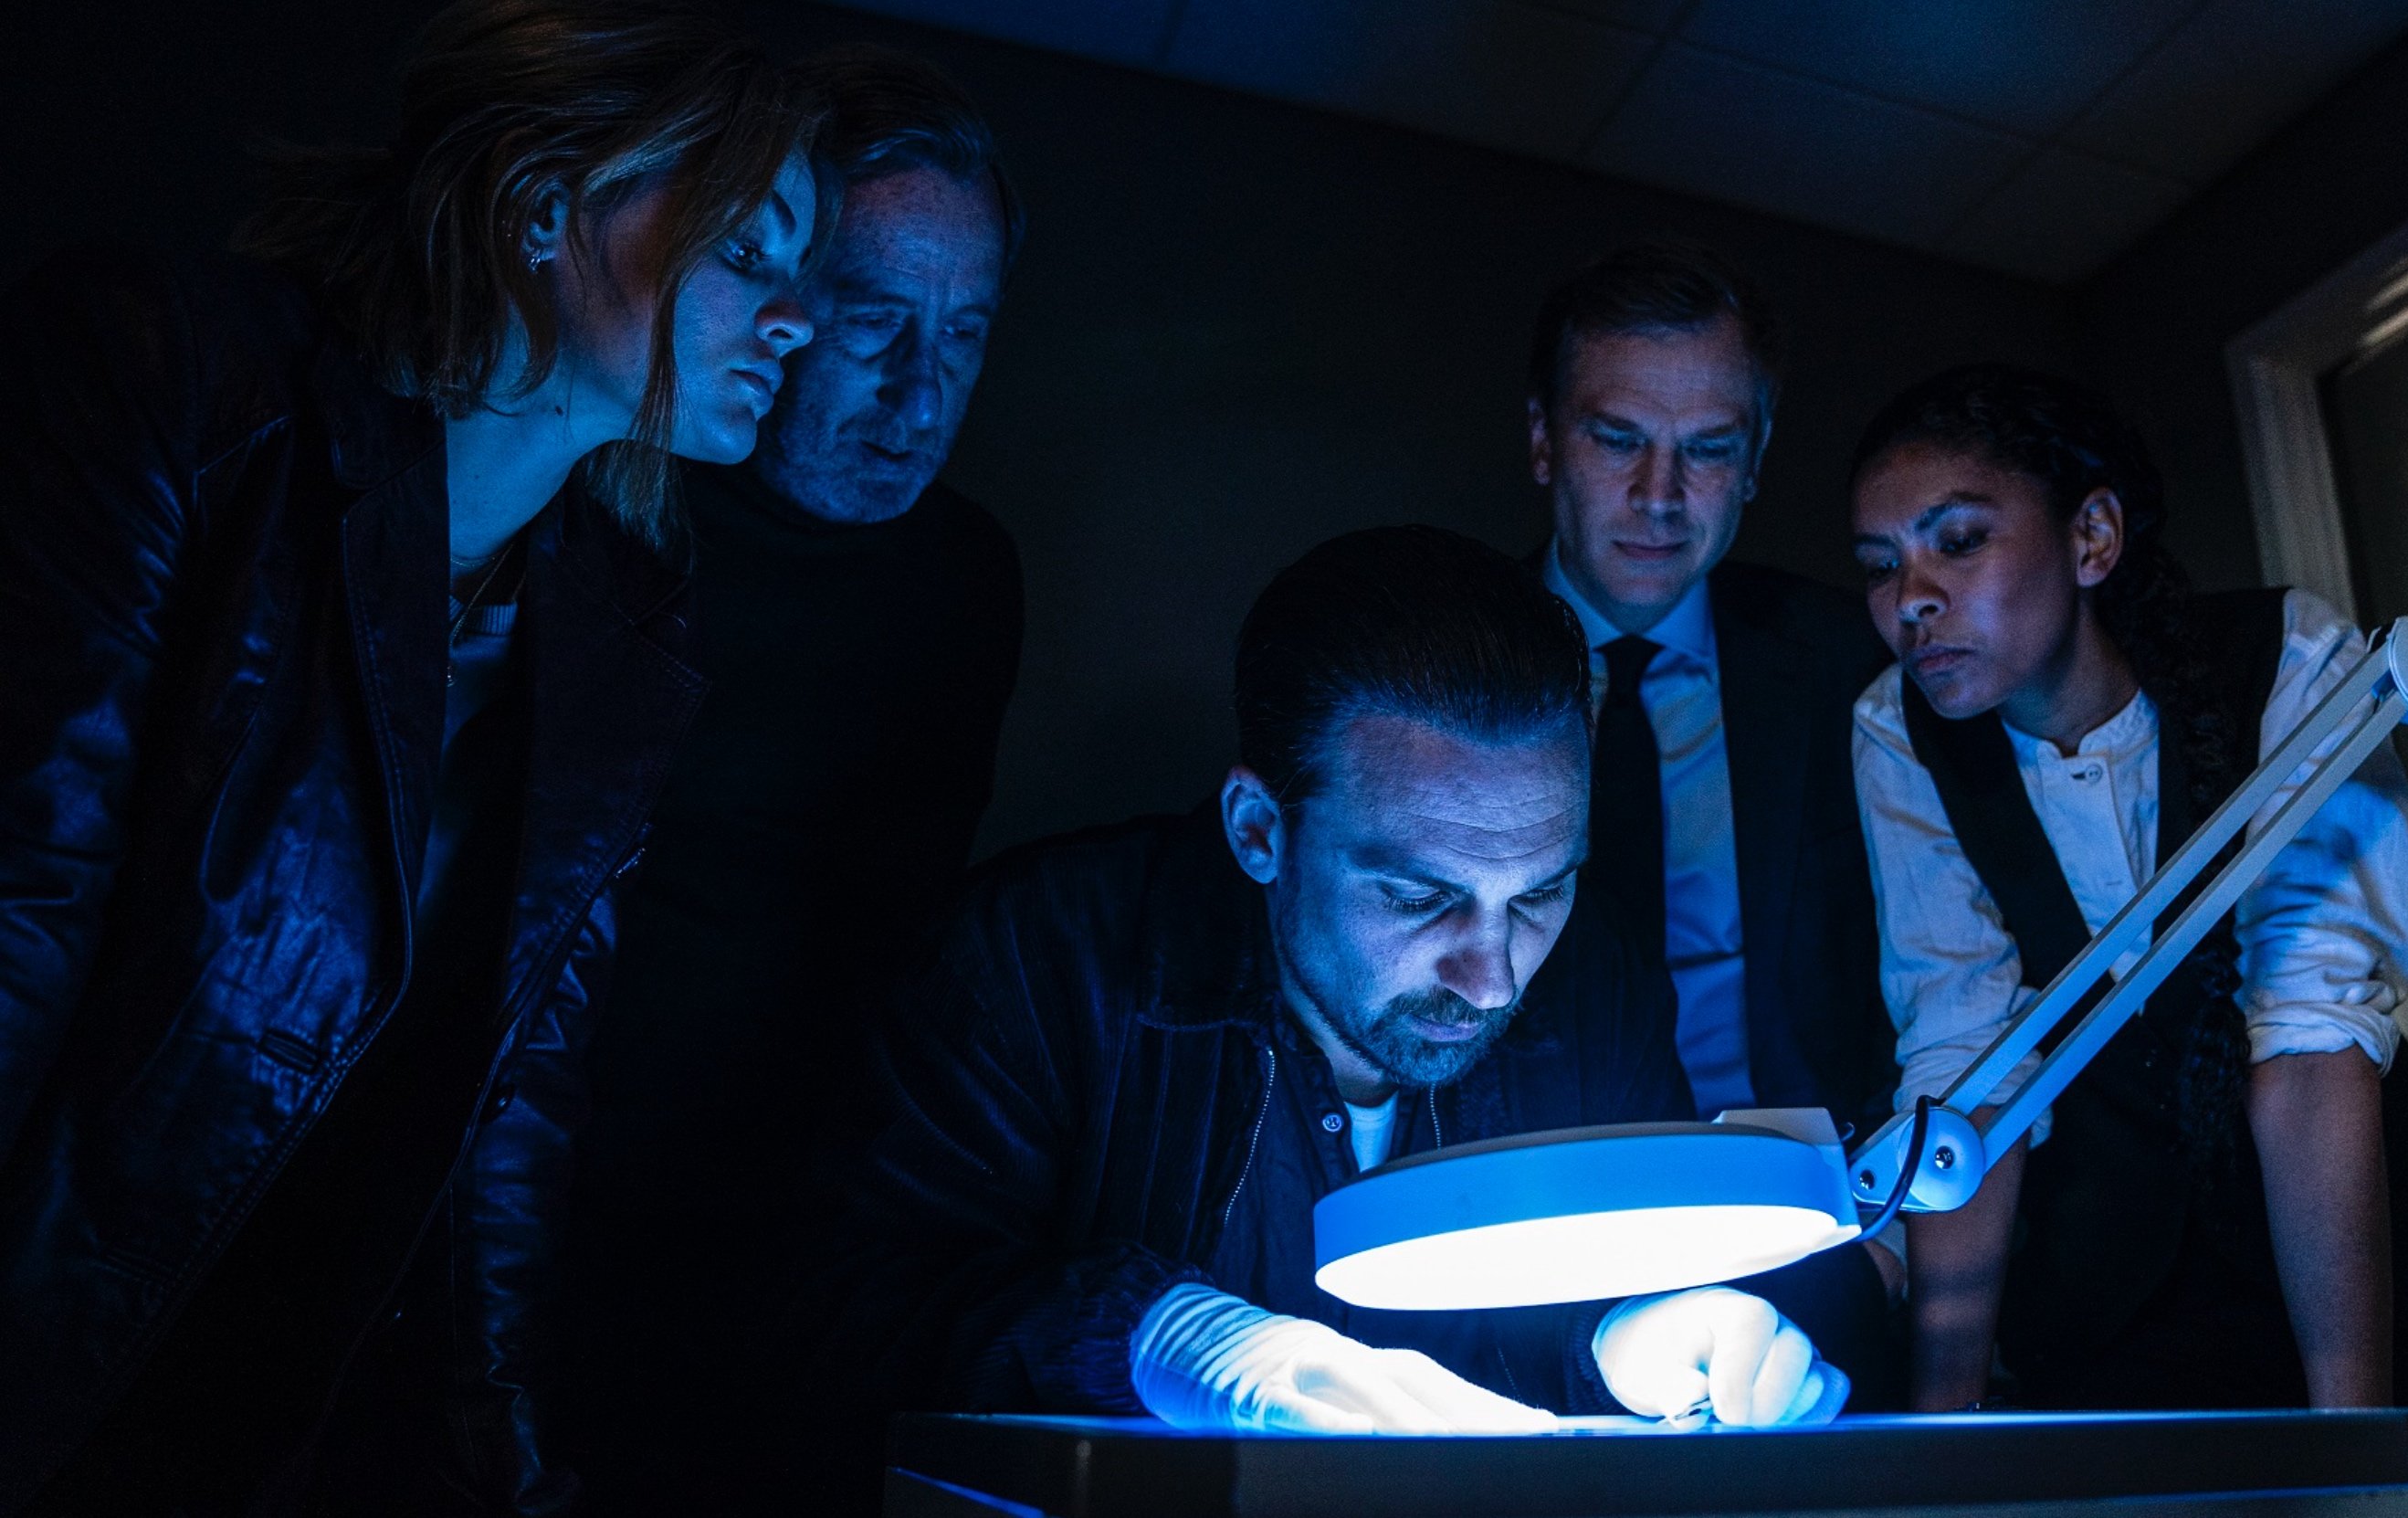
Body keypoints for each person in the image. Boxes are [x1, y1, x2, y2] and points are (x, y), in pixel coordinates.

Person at [0, 2, 822, 1509]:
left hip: (261, 1405)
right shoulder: (176, 375)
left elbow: (515, 1103)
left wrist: (502, 1470)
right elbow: (24, 895)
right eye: (748, 251)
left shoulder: (618, 625)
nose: (797, 317)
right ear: (537, 205)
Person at [783, 527, 1842, 1500]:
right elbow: (852, 1317)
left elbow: (1587, 1314)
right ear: (1258, 831)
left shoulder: (1594, 979)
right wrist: (1163, 1340)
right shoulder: (1038, 961)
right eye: (1419, 896)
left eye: (1538, 894)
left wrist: (1631, 1342)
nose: (1494, 978)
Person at [1845, 364, 2408, 1413]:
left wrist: (2353, 1440)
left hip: (2378, 1280)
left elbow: (2308, 1046)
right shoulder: (1898, 732)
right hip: (2124, 1313)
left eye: (1959, 539)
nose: (1913, 600)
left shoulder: (2298, 665)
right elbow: (1965, 1066)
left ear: (2093, 539)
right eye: (1879, 565)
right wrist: (1944, 1437)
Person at [566, 47, 1024, 1509]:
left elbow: (912, 939)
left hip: (800, 1230)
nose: (919, 389)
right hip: (552, 1178)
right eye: (878, 319)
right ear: (776, 302)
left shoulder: (968, 579)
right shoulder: (618, 503)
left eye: (966, 334)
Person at [1525, 239, 1902, 1401]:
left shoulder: (1856, 660)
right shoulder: (1440, 663)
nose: (1658, 496)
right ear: (1544, 441)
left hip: (1807, 1240)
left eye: (1707, 451)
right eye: (1618, 438)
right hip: (1520, 1244)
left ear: (1754, 465)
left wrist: (1887, 1252)